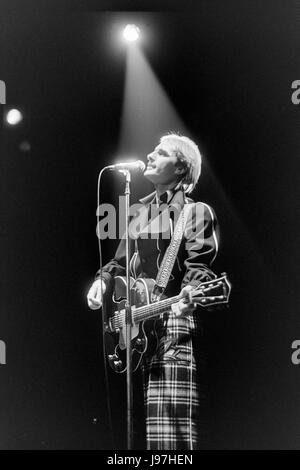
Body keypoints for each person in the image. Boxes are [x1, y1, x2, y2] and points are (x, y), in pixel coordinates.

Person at [87, 133, 219, 450]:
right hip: (137, 329)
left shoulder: (195, 211)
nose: (150, 155)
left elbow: (199, 267)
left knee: (170, 431)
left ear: (180, 168)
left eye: (161, 152)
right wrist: (102, 281)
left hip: (173, 324)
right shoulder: (137, 211)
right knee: (148, 430)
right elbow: (120, 262)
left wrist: (190, 292)